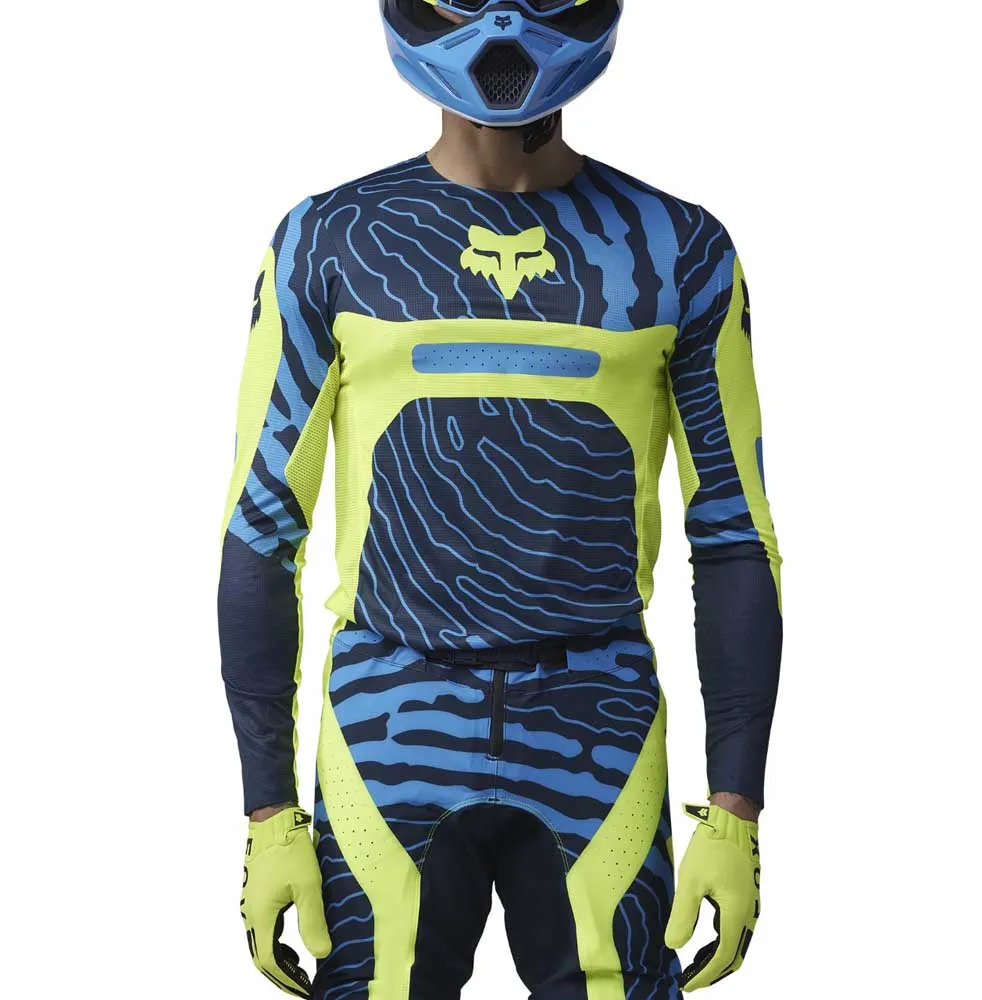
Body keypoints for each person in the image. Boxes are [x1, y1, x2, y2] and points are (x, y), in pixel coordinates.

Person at [218, 2, 782, 998]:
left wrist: (736, 813)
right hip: (395, 719)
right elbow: (261, 532)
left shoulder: (684, 251)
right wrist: (268, 816)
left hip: (590, 721)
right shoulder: (328, 242)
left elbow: (735, 535)